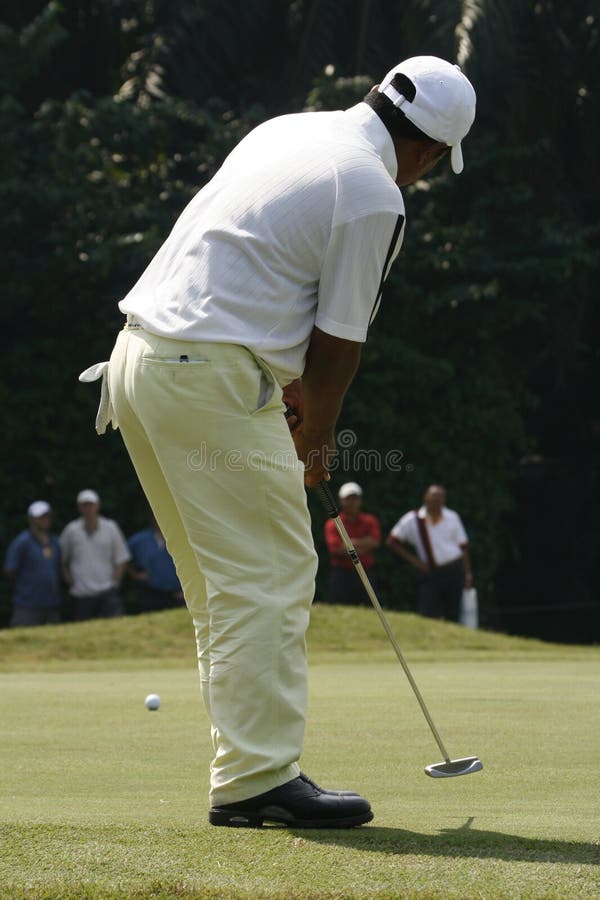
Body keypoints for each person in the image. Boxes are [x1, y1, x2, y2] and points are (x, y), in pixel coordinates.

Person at [80, 56, 476, 828]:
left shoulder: (289, 129)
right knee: (273, 571)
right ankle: (257, 781)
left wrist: (287, 390)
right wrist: (317, 438)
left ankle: (246, 772)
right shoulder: (373, 194)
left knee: (228, 585)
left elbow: (251, 270)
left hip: (140, 361)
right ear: (428, 154)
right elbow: (337, 342)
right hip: (208, 377)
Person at [387, 484, 473, 622]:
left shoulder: (452, 517)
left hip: (454, 569)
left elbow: (463, 547)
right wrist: (415, 562)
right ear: (425, 498)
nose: (437, 501)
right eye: (434, 497)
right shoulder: (413, 519)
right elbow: (392, 541)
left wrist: (468, 574)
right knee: (428, 612)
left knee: (453, 613)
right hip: (430, 571)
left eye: (440, 498)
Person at [60, 490, 131, 621]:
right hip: (81, 593)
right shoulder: (71, 530)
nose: (88, 508)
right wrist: (70, 581)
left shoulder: (111, 528)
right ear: (79, 508)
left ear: (98, 505)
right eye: (85, 505)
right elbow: (62, 560)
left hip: (107, 590)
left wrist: (115, 583)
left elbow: (121, 558)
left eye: (91, 505)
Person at [3, 501, 62, 627]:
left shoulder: (54, 542)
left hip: (51, 605)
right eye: (40, 517)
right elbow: (9, 570)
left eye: (46, 516)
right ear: (31, 519)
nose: (44, 520)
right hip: (27, 607)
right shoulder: (22, 542)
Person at [324, 482, 380, 605]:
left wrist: (350, 543)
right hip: (341, 574)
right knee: (337, 608)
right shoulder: (332, 524)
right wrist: (362, 544)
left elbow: (374, 542)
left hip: (366, 572)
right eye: (348, 498)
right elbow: (336, 549)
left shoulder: (370, 521)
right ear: (341, 500)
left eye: (355, 498)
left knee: (370, 609)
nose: (352, 502)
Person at [128, 517, 184, 612]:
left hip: (179, 593)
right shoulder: (140, 540)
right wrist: (135, 575)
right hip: (151, 594)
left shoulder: (181, 537)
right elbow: (122, 556)